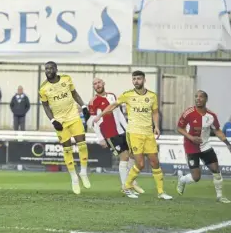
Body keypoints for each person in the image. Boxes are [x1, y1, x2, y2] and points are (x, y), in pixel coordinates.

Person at [93, 71, 172, 200]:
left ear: (144, 80)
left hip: (148, 134)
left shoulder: (152, 96)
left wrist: (156, 126)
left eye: (138, 79)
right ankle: (127, 186)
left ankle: (161, 192)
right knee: (140, 164)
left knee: (155, 162)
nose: (136, 81)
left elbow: (155, 112)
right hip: (134, 133)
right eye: (134, 79)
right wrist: (100, 115)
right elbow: (113, 105)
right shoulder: (127, 95)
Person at [39, 61, 91, 195]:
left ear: (56, 69)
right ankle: (74, 178)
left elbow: (75, 94)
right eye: (46, 68)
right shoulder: (43, 88)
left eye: (51, 68)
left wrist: (84, 106)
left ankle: (83, 172)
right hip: (60, 122)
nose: (48, 70)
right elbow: (45, 106)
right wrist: (53, 120)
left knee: (82, 144)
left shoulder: (66, 79)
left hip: (73, 116)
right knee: (67, 149)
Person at [88, 78, 144, 194]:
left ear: (103, 83)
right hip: (109, 134)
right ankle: (125, 187)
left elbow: (119, 114)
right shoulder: (93, 102)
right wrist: (100, 138)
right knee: (124, 157)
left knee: (132, 155)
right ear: (93, 87)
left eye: (99, 83)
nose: (97, 85)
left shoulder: (112, 95)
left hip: (121, 132)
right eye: (94, 84)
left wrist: (128, 128)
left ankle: (131, 182)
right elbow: (94, 122)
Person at [176, 90, 231, 203]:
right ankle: (182, 180)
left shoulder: (211, 116)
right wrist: (191, 138)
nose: (198, 99)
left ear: (206, 99)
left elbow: (217, 131)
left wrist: (227, 144)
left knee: (216, 170)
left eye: (201, 97)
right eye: (196, 96)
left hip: (205, 146)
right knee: (196, 177)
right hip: (190, 146)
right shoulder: (188, 113)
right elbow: (179, 128)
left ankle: (220, 196)